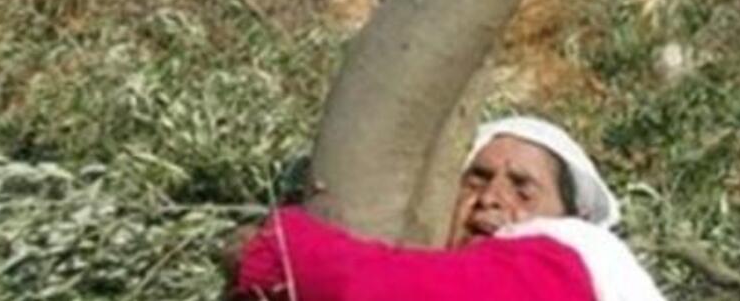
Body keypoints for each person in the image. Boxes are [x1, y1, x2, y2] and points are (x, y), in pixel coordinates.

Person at [231, 116, 666, 300]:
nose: (492, 198)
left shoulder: (574, 253)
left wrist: (272, 248)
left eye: (523, 189)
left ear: (571, 216)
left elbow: (395, 292)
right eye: (477, 178)